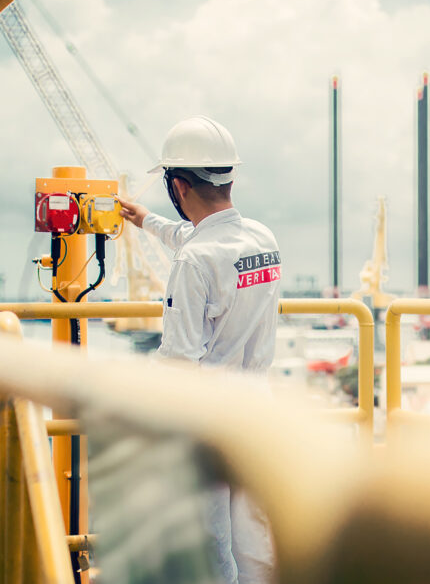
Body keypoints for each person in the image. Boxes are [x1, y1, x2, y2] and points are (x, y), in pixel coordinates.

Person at [116, 115, 280, 583]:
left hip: (211, 417)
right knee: (254, 537)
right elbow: (196, 237)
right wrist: (145, 220)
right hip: (257, 406)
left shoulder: (195, 261)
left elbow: (180, 359)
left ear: (179, 185)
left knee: (212, 543)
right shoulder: (261, 238)